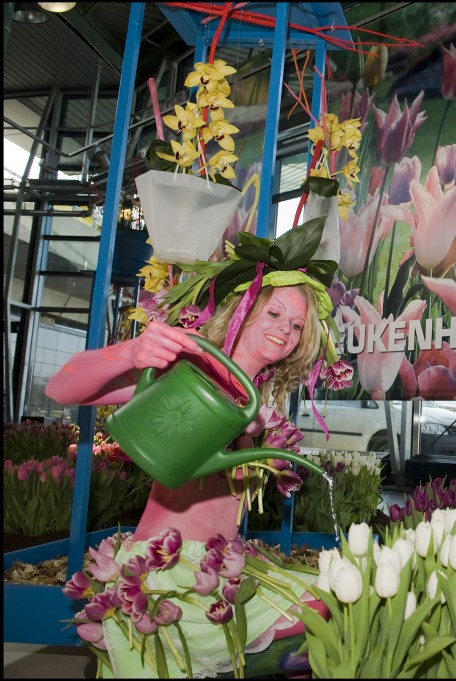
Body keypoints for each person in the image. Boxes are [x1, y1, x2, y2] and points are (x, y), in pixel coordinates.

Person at [47, 218, 342, 678]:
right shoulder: (192, 368)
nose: (286, 329)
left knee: (334, 606)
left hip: (220, 564)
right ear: (243, 309)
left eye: (297, 323)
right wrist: (131, 353)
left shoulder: (259, 397)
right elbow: (63, 388)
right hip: (171, 569)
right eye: (275, 313)